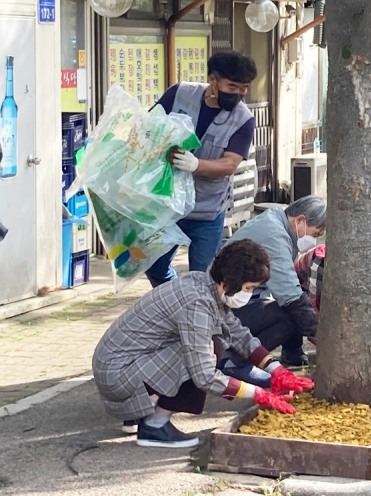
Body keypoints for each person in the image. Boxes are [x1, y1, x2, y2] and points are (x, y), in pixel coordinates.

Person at [92, 239, 313, 447]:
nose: (250, 294)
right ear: (229, 282)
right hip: (117, 374)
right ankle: (155, 425)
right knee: (208, 350)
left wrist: (277, 371)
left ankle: (142, 413)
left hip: (122, 363)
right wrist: (259, 394)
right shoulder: (197, 304)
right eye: (249, 288)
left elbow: (237, 333)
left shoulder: (206, 285)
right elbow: (204, 375)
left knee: (212, 343)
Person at [145, 51, 258, 287]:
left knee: (205, 279)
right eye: (232, 86)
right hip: (168, 205)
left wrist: (196, 165)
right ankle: (174, 300)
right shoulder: (180, 93)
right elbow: (149, 126)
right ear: (213, 80)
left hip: (206, 211)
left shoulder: (243, 119)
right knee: (154, 266)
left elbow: (230, 164)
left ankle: (200, 317)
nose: (237, 93)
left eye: (243, 88)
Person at [224, 195, 326, 367]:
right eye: (315, 234)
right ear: (300, 220)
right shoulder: (274, 236)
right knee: (293, 313)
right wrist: (318, 336)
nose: (314, 240)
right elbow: (290, 295)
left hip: (242, 299)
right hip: (226, 308)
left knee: (294, 306)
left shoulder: (275, 220)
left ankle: (293, 354)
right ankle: (237, 361)